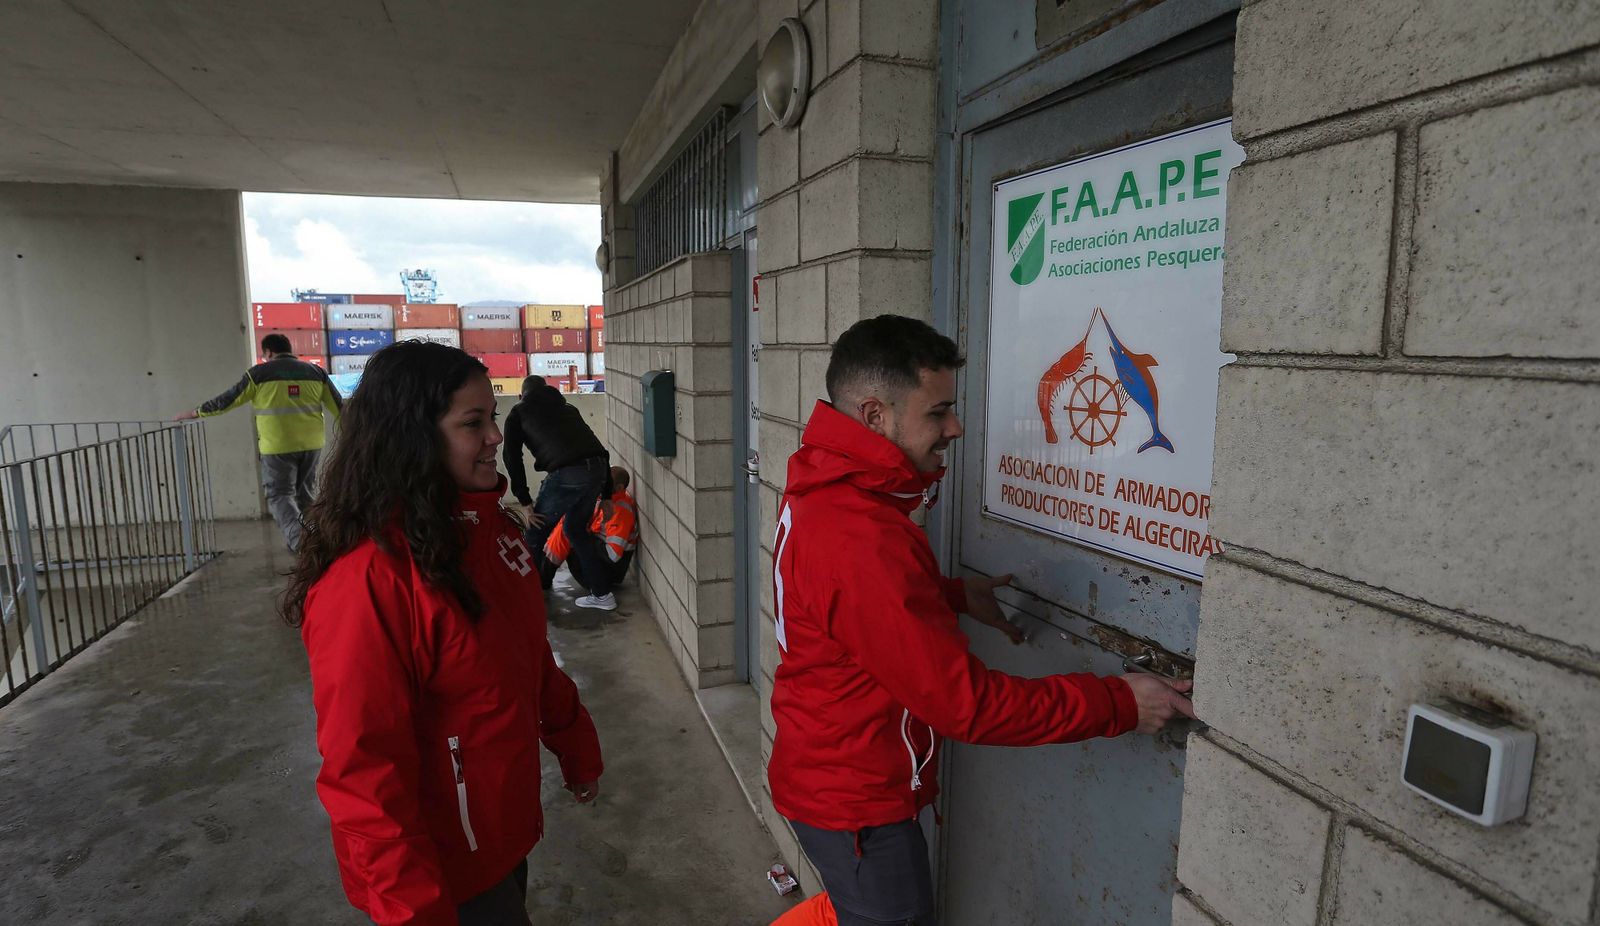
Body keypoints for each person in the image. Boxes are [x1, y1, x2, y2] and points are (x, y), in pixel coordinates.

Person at [767, 315, 1197, 926]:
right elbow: (966, 706)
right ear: (873, 415)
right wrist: (1120, 704)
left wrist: (946, 595)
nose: (956, 427)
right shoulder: (861, 532)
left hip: (828, 772)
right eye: (937, 413)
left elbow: (842, 606)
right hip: (854, 802)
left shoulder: (827, 485)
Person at [281, 342, 603, 926]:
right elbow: (362, 766)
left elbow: (530, 658)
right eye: (472, 423)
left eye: (493, 419)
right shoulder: (369, 579)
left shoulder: (491, 536)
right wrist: (413, 909)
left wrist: (575, 744)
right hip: (438, 870)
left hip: (500, 832)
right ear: (412, 437)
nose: (494, 438)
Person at [176, 332, 341, 551]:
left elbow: (228, 400)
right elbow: (339, 407)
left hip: (277, 446)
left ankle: (301, 541)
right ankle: (318, 537)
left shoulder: (259, 374)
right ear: (289, 349)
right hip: (311, 445)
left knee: (280, 495)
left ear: (269, 352)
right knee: (304, 495)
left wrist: (196, 413)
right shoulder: (315, 372)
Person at [502, 375, 617, 611]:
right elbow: (599, 449)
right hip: (596, 470)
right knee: (575, 529)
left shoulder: (518, 411)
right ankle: (602, 594)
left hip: (568, 473)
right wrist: (606, 495)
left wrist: (524, 500)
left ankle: (525, 597)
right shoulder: (568, 407)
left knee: (534, 533)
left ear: (521, 395)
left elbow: (511, 457)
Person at [535, 465, 637, 592]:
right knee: (568, 524)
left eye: (605, 484)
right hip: (600, 567)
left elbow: (613, 555)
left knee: (568, 532)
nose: (601, 487)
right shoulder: (609, 501)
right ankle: (541, 575)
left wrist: (583, 536)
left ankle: (542, 579)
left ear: (619, 487)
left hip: (607, 575)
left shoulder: (620, 511)